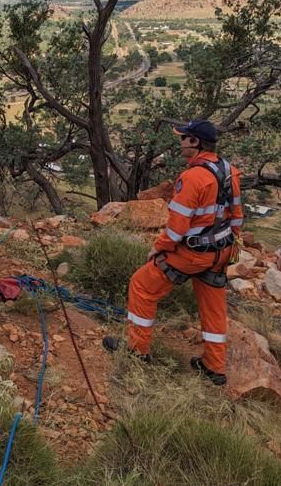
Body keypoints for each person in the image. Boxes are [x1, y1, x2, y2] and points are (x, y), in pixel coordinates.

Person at [104, 119, 243, 384]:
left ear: (195, 142)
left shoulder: (193, 178)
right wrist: (230, 247)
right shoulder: (229, 171)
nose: (180, 143)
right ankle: (214, 367)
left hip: (191, 254)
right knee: (213, 307)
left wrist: (158, 249)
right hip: (220, 252)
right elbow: (236, 216)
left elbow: (177, 227)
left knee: (142, 286)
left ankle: (137, 350)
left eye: (184, 138)